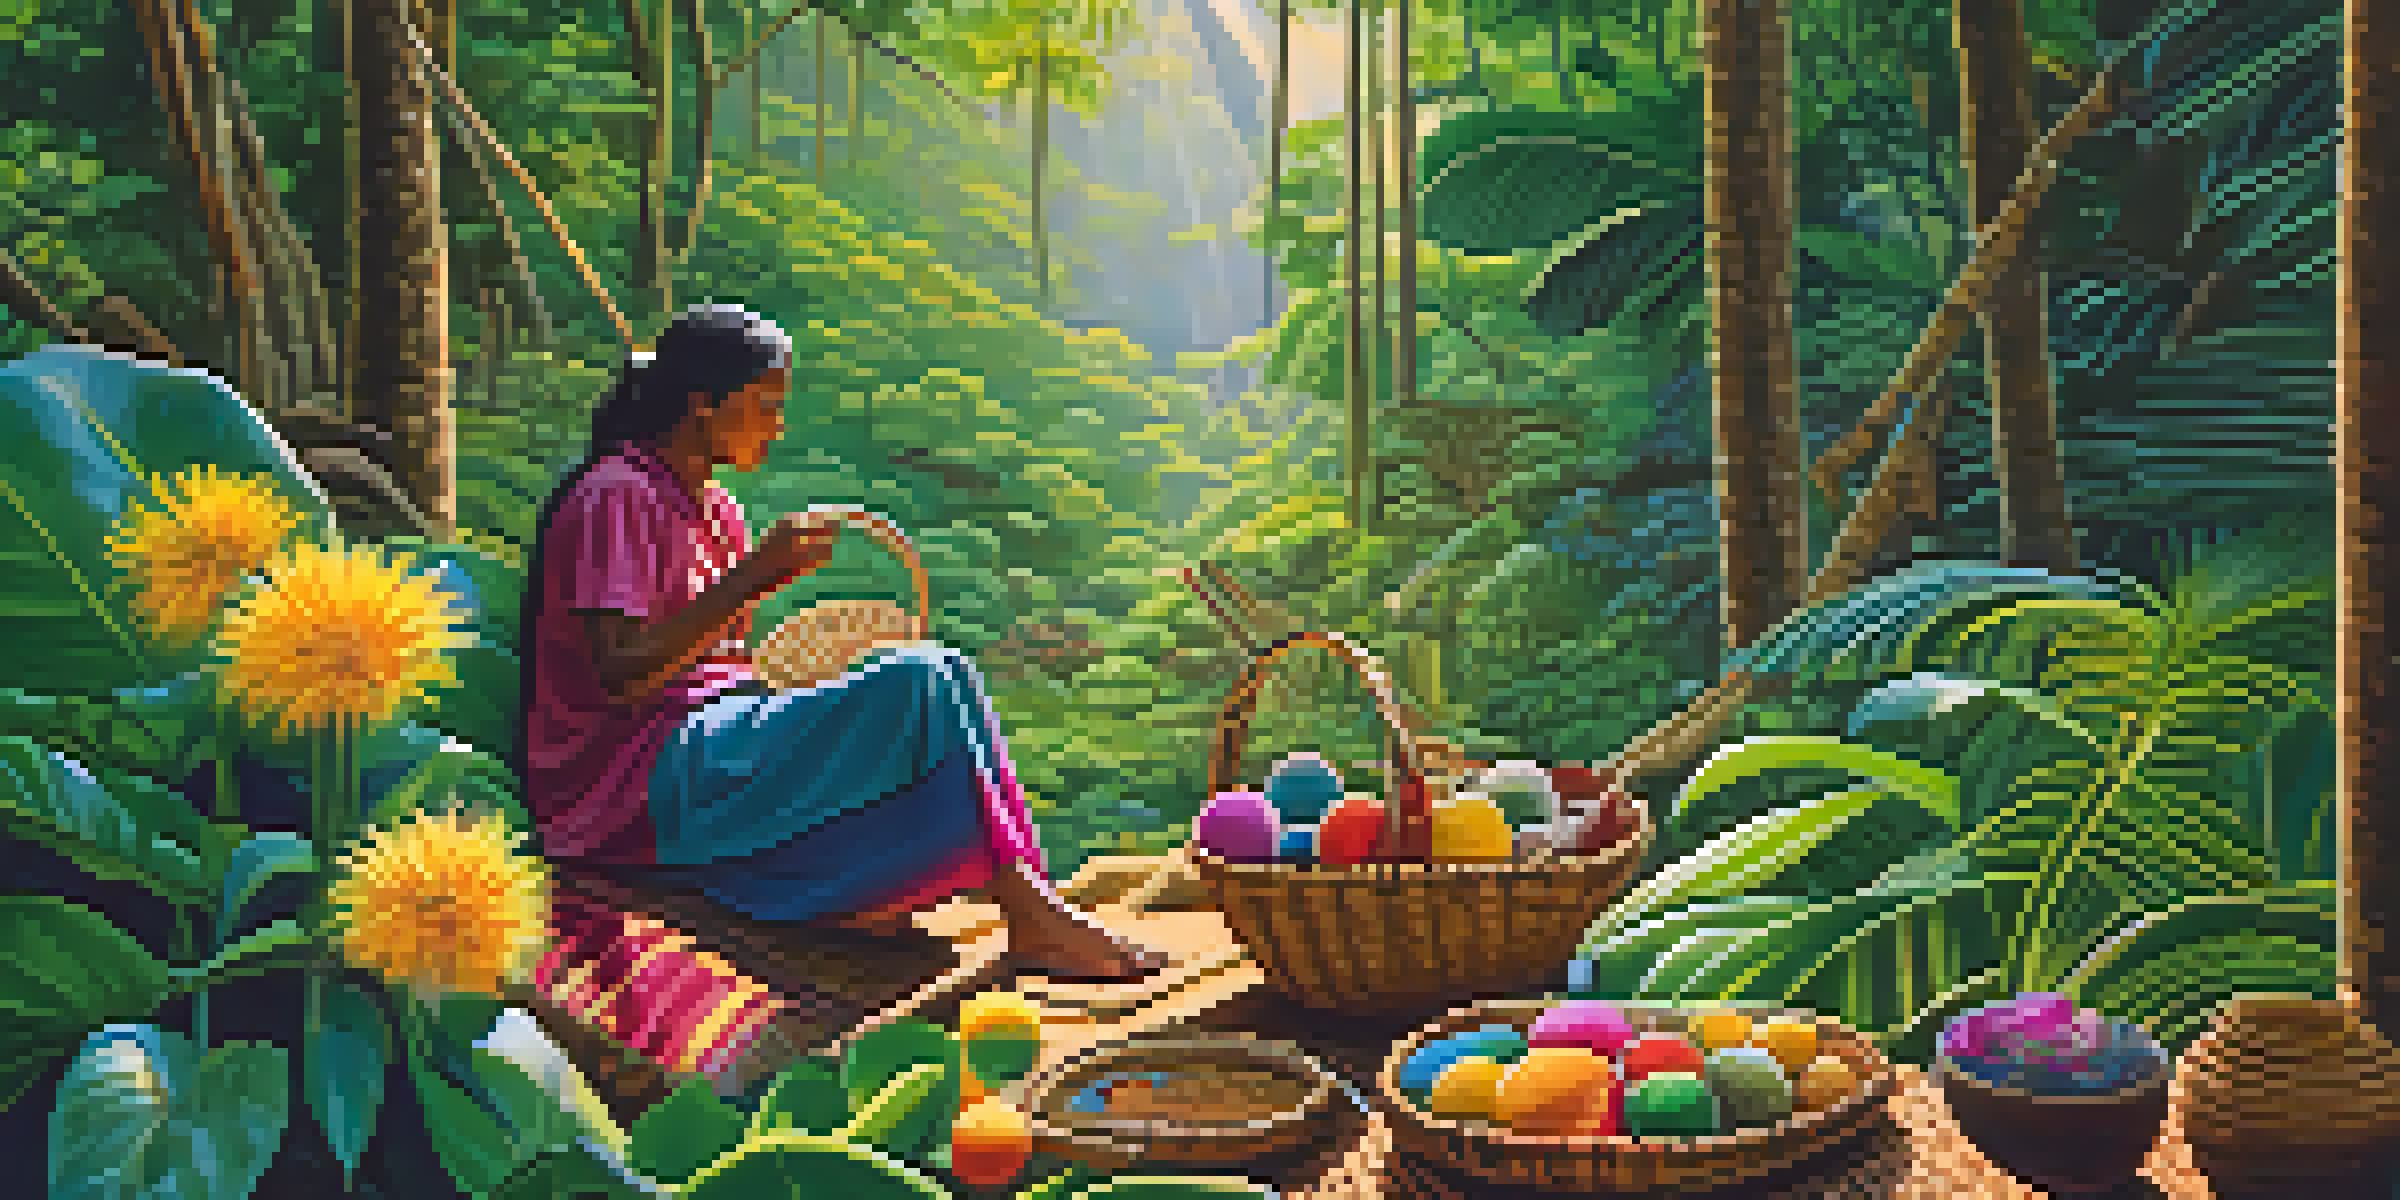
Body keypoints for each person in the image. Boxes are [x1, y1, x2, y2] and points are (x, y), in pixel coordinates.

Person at [514, 303, 1164, 983]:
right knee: (921, 677)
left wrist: (793, 673)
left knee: (951, 676)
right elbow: (620, 675)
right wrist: (757, 577)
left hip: (709, 734)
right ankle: (1035, 918)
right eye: (765, 405)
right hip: (635, 775)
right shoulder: (618, 494)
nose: (778, 425)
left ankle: (1030, 904)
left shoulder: (716, 510)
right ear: (704, 404)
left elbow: (718, 658)